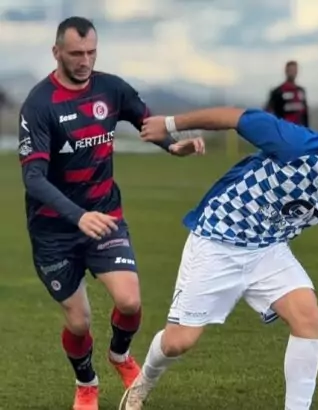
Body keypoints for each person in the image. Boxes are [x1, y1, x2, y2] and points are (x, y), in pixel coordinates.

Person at [118, 107, 318, 410]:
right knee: (178, 342)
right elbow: (235, 117)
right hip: (217, 240)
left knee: (308, 317)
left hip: (268, 250)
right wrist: (169, 124)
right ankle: (143, 381)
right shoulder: (296, 144)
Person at [17, 16, 203, 410]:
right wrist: (77, 216)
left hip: (105, 215)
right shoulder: (39, 104)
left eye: (91, 52)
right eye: (76, 53)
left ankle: (119, 354)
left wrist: (173, 145)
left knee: (130, 301)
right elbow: (33, 178)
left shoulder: (110, 89)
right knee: (79, 321)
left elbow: (146, 122)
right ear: (56, 52)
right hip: (54, 230)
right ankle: (86, 382)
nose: (85, 61)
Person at [265, 60, 309, 127]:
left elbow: (305, 114)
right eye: (291, 70)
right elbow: (269, 111)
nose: (293, 72)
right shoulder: (278, 92)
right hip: (284, 129)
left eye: (295, 70)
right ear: (286, 71)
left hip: (299, 129)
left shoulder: (301, 91)